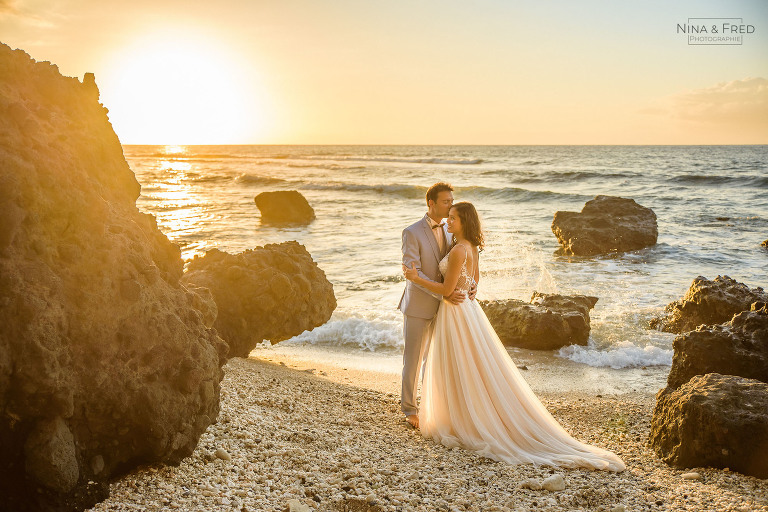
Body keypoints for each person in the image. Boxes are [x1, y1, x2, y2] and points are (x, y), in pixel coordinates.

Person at [403, 202, 625, 471]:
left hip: (455, 313)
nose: (449, 221)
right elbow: (474, 283)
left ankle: (462, 419)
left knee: (460, 366)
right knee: (470, 366)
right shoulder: (470, 247)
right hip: (467, 310)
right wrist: (469, 291)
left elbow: (447, 289)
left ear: (464, 222)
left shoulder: (460, 249)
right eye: (448, 217)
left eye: (453, 218)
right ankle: (463, 414)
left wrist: (416, 278)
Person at [398, 183, 476, 430]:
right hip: (420, 306)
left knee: (436, 361)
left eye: (452, 201)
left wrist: (471, 285)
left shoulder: (453, 231)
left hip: (448, 310)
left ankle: (433, 407)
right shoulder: (411, 232)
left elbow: (463, 266)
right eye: (445, 202)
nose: (450, 205)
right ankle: (410, 409)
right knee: (413, 359)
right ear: (430, 203)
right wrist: (445, 294)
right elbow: (413, 273)